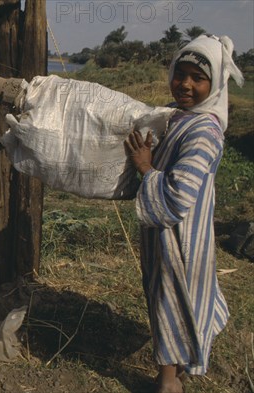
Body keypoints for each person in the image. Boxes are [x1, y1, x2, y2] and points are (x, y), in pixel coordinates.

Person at [124, 35, 243, 393]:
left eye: (198, 77)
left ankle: (168, 384)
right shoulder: (178, 117)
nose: (185, 84)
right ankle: (174, 375)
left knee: (171, 304)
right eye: (180, 73)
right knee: (172, 301)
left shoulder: (204, 130)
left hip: (181, 239)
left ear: (215, 83)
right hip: (171, 236)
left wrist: (146, 169)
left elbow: (177, 195)